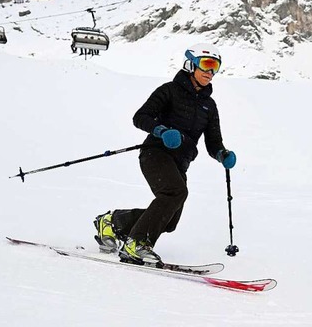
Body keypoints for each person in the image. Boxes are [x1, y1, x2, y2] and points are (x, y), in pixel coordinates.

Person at [94, 43, 236, 266]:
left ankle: (113, 222)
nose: (210, 72)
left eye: (215, 67)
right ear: (191, 65)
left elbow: (213, 142)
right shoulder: (168, 91)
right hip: (155, 154)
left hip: (181, 162)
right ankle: (137, 243)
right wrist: (162, 130)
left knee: (169, 221)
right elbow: (140, 117)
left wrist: (222, 154)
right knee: (174, 192)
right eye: (206, 65)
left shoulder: (210, 106)